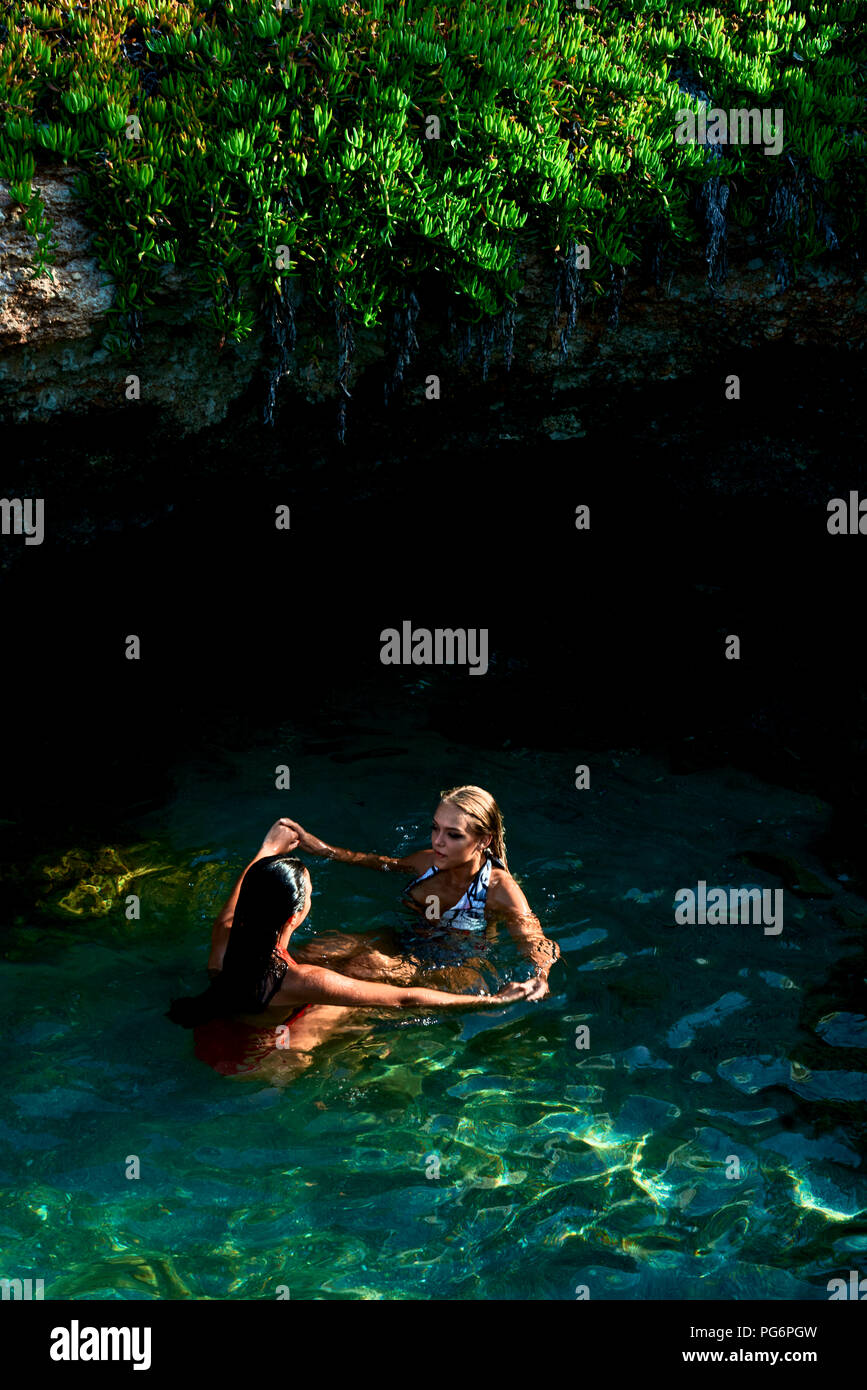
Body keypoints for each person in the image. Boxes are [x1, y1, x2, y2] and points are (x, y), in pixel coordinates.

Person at [168, 833, 537, 1076]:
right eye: (310, 895)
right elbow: (404, 1000)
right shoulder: (302, 981)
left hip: (205, 1033)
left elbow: (238, 901)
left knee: (351, 951)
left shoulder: (227, 937)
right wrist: (486, 999)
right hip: (254, 1063)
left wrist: (267, 852)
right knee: (356, 1000)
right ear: (297, 914)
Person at [271, 785, 559, 1001]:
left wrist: (540, 977)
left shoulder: (500, 890)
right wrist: (319, 847)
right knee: (316, 951)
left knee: (365, 966)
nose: (438, 841)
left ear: (484, 840)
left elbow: (535, 939)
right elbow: (379, 863)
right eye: (436, 829)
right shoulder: (427, 863)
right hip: (406, 940)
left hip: (455, 965)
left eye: (453, 834)